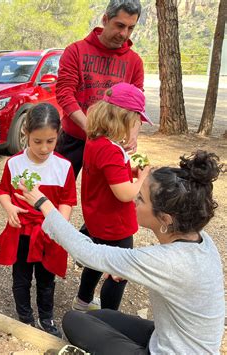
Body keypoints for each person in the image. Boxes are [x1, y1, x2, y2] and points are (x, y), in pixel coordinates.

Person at [15, 150, 225, 354]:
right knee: (102, 316)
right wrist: (129, 269)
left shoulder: (168, 262)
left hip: (171, 349)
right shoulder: (201, 240)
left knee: (73, 320)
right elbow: (172, 269)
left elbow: (85, 252)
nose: (135, 201)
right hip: (173, 338)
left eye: (141, 198)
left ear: (165, 219)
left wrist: (43, 203)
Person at [0, 103, 77, 337]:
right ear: (26, 134)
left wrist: (59, 226)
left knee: (46, 278)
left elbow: (67, 200)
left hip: (47, 233)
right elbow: (3, 190)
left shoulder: (63, 166)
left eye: (50, 141)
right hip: (21, 231)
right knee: (21, 278)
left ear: (58, 134)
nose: (44, 148)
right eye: (37, 141)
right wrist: (9, 207)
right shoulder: (15, 164)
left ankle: (46, 316)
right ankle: (25, 317)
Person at [72, 82, 153, 313]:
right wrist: (142, 176)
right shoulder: (111, 151)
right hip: (116, 225)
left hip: (96, 219)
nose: (138, 125)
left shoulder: (95, 141)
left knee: (96, 261)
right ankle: (109, 317)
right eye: (137, 120)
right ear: (124, 119)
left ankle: (82, 303)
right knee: (120, 272)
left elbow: (109, 177)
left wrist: (128, 169)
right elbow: (125, 193)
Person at [56, 0, 144, 178]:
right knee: (57, 190)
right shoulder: (76, 51)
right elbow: (65, 94)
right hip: (73, 138)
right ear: (105, 19)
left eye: (130, 28)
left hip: (111, 142)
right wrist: (90, 127)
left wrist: (133, 135)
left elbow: (137, 105)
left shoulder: (134, 61)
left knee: (105, 197)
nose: (124, 33)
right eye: (119, 25)